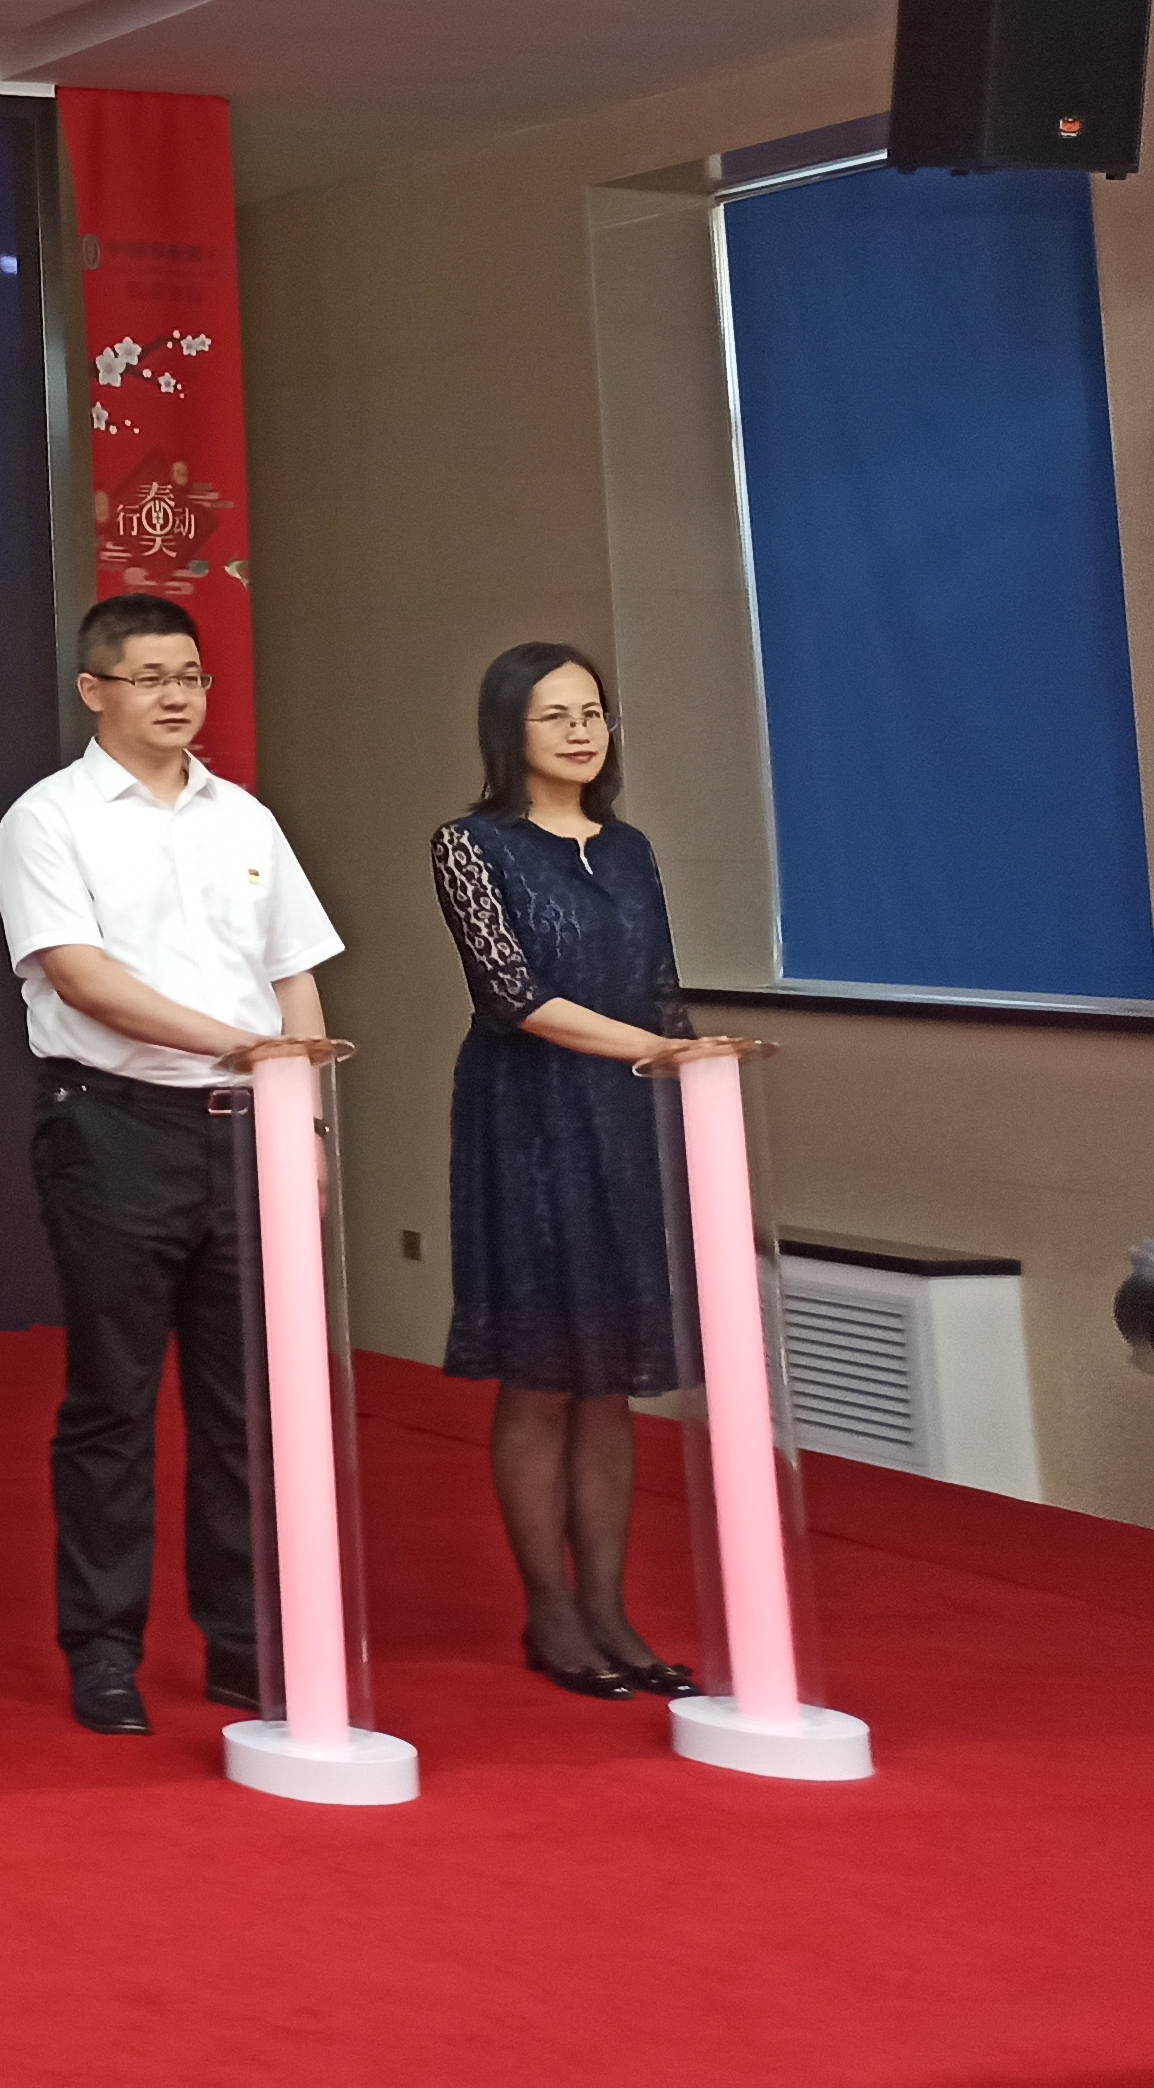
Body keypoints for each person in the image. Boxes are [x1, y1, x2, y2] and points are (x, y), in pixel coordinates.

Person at [0, 592, 342, 1736]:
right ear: (94, 690)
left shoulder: (245, 818)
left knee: (248, 1402)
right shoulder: (47, 820)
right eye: (149, 677)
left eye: (189, 674)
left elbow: (293, 974)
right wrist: (243, 1045)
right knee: (114, 1399)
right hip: (113, 1125)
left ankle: (247, 1644)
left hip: (248, 1126)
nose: (176, 695)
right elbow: (81, 977)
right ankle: (103, 1650)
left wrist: (303, 1116)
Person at [436, 641, 708, 1701]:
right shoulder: (471, 845)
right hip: (528, 1121)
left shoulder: (631, 848)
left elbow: (662, 989)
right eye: (555, 715)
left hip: (624, 1120)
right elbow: (512, 996)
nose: (580, 731)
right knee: (544, 1371)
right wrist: (658, 1050)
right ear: (510, 730)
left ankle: (609, 1609)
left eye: (591, 711)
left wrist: (692, 1071)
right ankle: (548, 1611)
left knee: (609, 1382)